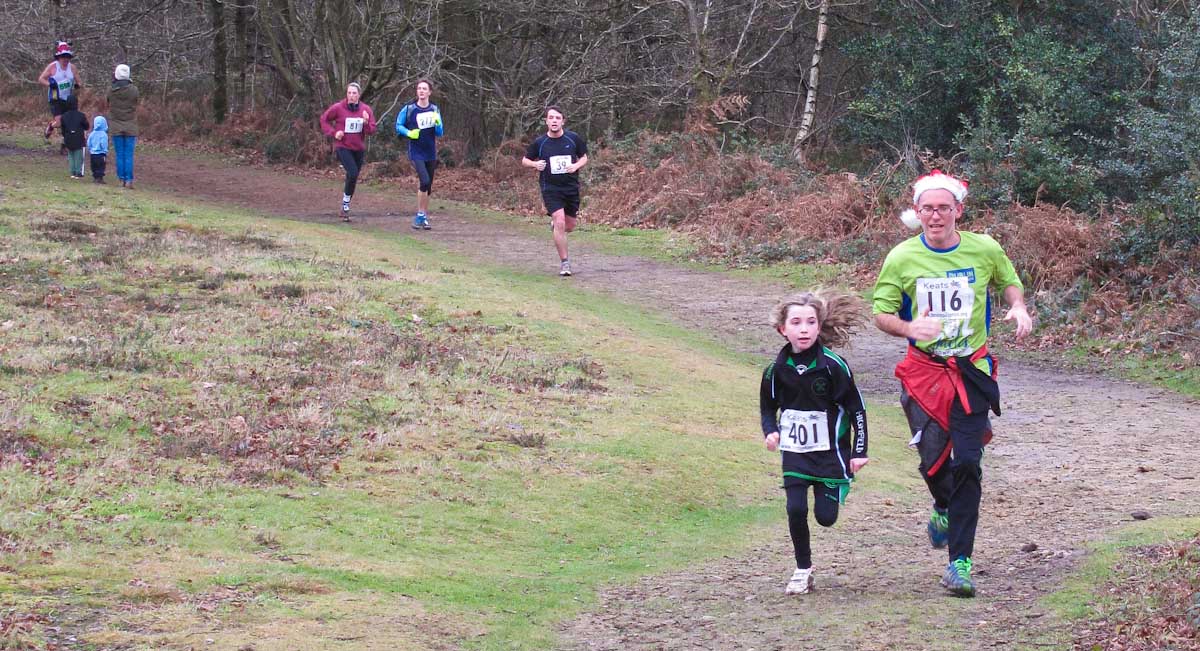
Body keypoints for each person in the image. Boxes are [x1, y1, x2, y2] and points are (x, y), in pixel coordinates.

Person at [872, 170, 1033, 598]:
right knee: (932, 463)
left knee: (967, 462)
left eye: (945, 207)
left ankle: (959, 563)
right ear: (917, 213)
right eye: (928, 208)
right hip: (923, 373)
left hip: (971, 371)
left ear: (958, 210)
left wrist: (1017, 308)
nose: (936, 215)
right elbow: (881, 314)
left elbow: (1009, 283)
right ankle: (941, 505)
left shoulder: (984, 248)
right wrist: (909, 327)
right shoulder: (902, 258)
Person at [759, 291, 869, 595]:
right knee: (795, 508)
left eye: (810, 322)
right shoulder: (774, 370)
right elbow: (768, 407)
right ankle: (802, 569)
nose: (803, 329)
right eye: (796, 322)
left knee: (825, 518)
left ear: (819, 327)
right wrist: (770, 431)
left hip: (830, 454)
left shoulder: (834, 366)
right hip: (794, 453)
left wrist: (859, 450)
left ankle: (838, 484)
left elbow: (857, 408)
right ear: (783, 329)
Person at [521, 106, 588, 277]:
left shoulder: (573, 139)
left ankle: (557, 227)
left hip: (571, 188)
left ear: (563, 121)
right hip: (550, 188)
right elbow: (525, 160)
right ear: (546, 121)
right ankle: (565, 263)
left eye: (558, 118)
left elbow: (584, 157)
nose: (554, 121)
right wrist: (535, 164)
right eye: (551, 118)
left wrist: (575, 166)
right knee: (559, 221)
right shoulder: (540, 143)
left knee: (570, 226)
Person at [320, 82, 377, 222]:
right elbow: (324, 120)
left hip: (358, 148)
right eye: (349, 93)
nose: (351, 96)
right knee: (352, 172)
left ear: (359, 95)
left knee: (353, 177)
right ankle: (345, 205)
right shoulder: (338, 107)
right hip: (342, 146)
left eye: (354, 93)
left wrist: (365, 123)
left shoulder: (365, 110)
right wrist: (334, 133)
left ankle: (345, 204)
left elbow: (372, 130)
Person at [394, 79, 443, 230]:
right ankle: (420, 215)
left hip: (430, 151)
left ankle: (423, 216)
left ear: (429, 92)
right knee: (425, 180)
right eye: (419, 88)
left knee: (428, 186)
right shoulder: (409, 109)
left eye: (424, 89)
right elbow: (398, 126)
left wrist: (437, 123)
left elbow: (440, 133)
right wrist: (409, 132)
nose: (421, 91)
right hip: (416, 151)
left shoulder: (434, 109)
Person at [38, 41, 82, 142]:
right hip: (55, 97)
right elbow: (41, 79)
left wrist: (77, 86)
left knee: (69, 122)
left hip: (68, 98)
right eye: (63, 56)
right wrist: (50, 84)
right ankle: (51, 126)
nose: (65, 59)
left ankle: (65, 143)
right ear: (59, 57)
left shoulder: (72, 68)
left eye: (67, 57)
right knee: (59, 122)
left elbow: (79, 81)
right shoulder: (53, 67)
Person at [107, 64, 139, 189]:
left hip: (116, 125)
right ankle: (129, 180)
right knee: (129, 154)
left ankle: (121, 179)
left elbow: (108, 102)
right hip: (130, 125)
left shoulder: (111, 90)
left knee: (119, 154)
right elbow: (136, 102)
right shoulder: (134, 90)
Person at [59, 103, 88, 179]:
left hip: (68, 137)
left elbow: (62, 129)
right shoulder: (81, 115)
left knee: (71, 155)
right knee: (78, 155)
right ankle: (78, 172)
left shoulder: (64, 116)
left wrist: (65, 136)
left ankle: (72, 172)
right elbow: (86, 126)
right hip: (78, 137)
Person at [87, 115, 108, 184]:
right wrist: (105, 150)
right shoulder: (103, 134)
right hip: (101, 153)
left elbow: (89, 142)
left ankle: (95, 177)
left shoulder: (92, 134)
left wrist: (90, 148)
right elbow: (103, 143)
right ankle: (100, 178)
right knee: (101, 166)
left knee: (94, 166)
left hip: (93, 154)